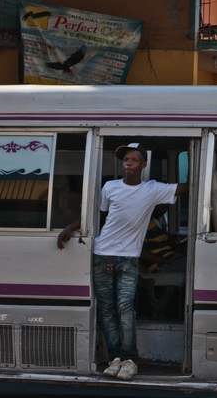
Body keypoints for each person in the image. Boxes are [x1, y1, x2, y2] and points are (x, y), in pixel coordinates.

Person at [57, 142, 188, 381]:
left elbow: (185, 187)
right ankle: (115, 358)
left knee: (125, 309)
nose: (128, 163)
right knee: (106, 310)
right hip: (102, 255)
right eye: (126, 159)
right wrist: (71, 227)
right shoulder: (110, 187)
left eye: (134, 160)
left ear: (144, 164)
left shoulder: (153, 189)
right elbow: (100, 215)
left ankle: (130, 360)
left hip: (128, 259)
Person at [141, 204, 187, 273]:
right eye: (163, 207)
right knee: (195, 263)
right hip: (159, 266)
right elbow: (142, 253)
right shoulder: (143, 223)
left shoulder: (161, 220)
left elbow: (160, 245)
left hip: (169, 258)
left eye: (167, 207)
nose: (166, 210)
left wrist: (174, 243)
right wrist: (166, 260)